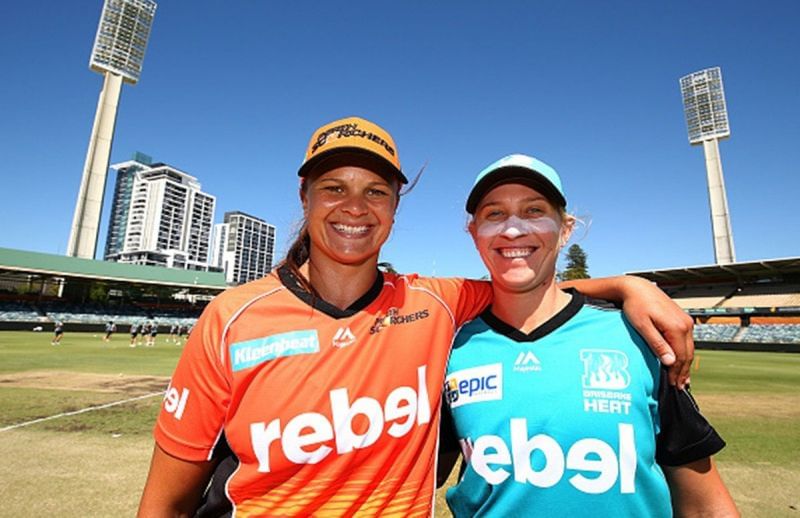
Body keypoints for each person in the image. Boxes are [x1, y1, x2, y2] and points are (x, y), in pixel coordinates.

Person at [138, 117, 695, 517]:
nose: (355, 207)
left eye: (375, 191)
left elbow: (527, 281)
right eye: (334, 188)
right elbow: (166, 499)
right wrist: (629, 284)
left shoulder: (436, 301)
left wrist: (630, 286)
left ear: (395, 207)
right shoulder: (232, 317)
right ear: (305, 197)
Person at [438, 154, 738, 517]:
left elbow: (704, 505)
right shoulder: (449, 348)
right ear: (473, 233)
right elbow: (415, 475)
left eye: (534, 211)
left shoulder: (640, 335)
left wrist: (629, 286)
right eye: (494, 214)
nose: (513, 230)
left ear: (566, 229)